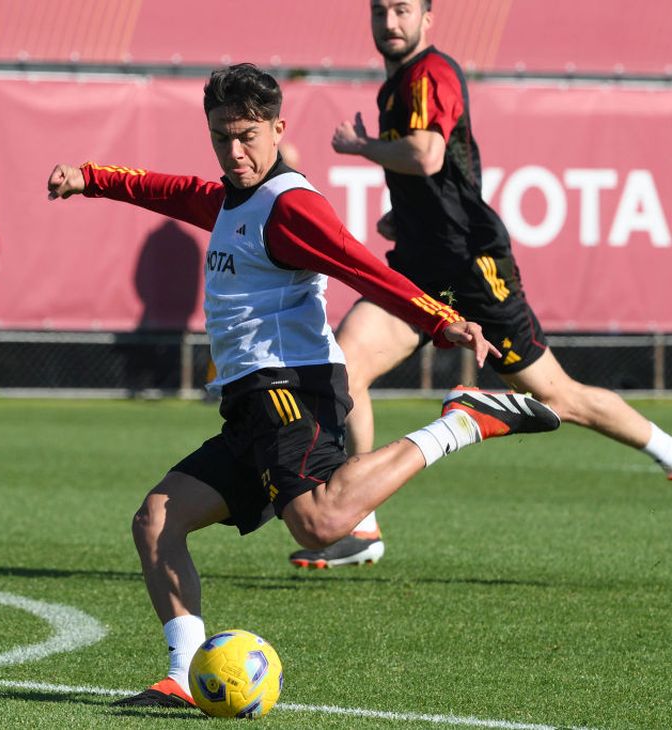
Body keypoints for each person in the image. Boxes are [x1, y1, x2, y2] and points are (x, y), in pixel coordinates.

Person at [46, 63, 560, 708]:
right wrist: (89, 178)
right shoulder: (231, 199)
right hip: (248, 401)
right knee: (156, 521)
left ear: (277, 129)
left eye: (247, 136)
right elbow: (169, 190)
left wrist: (440, 320)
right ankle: (182, 675)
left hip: (291, 385)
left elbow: (360, 265)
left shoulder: (290, 205)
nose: (234, 151)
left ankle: (462, 421)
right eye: (221, 137)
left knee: (318, 524)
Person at [288, 0, 672, 569]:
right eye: (380, 11)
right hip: (419, 266)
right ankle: (359, 524)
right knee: (343, 370)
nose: (389, 23)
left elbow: (426, 155)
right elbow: (437, 177)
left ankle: (667, 450)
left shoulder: (430, 72)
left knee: (559, 397)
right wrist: (406, 217)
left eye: (401, 10)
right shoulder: (397, 85)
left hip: (472, 267)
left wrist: (361, 147)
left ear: (427, 18)